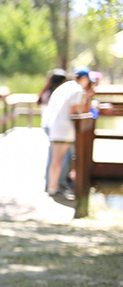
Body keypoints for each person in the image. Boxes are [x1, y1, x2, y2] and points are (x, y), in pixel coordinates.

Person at [43, 65, 97, 198]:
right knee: (60, 159)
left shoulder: (65, 86)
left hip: (54, 126)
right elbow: (74, 111)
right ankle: (55, 188)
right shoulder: (77, 90)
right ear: (84, 78)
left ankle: (52, 187)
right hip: (64, 128)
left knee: (55, 159)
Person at [38, 69, 69, 192]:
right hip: (53, 125)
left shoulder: (46, 92)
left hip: (47, 124)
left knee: (53, 155)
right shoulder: (55, 93)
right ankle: (55, 183)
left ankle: (52, 183)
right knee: (57, 156)